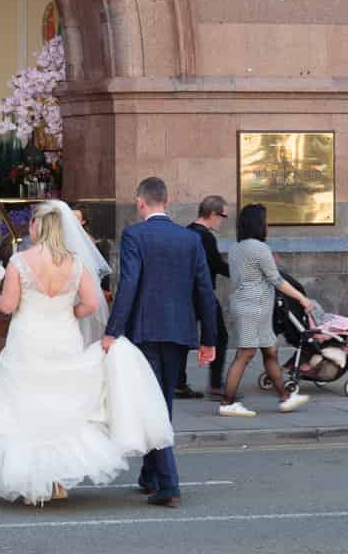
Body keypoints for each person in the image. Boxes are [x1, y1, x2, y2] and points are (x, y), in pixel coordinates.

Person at [0, 201, 173, 505]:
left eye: (32, 222)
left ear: (38, 227)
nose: (29, 227)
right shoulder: (75, 263)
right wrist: (69, 311)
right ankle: (57, 480)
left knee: (26, 406)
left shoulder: (20, 261)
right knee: (62, 406)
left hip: (28, 339)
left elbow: (7, 305)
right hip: (63, 336)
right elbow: (92, 304)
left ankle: (34, 480)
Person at [100, 177, 220, 509]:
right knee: (161, 400)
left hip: (145, 331)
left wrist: (113, 330)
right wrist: (208, 339)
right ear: (167, 201)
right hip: (180, 332)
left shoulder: (135, 235)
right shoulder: (189, 239)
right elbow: (204, 291)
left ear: (140, 203)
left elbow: (129, 285)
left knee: (153, 405)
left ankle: (168, 483)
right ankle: (150, 476)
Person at [219, 203, 315, 417]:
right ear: (258, 224)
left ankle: (285, 398)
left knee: (270, 351)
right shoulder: (259, 248)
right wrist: (301, 298)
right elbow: (277, 280)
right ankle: (227, 403)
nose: (268, 225)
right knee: (245, 354)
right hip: (253, 307)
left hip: (253, 306)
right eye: (265, 221)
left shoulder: (236, 247)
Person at [175, 195, 230, 401]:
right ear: (213, 214)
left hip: (185, 293)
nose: (223, 221)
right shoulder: (206, 237)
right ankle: (216, 384)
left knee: (183, 338)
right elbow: (217, 265)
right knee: (219, 335)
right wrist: (244, 272)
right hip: (202, 294)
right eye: (223, 216)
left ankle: (178, 383)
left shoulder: (186, 232)